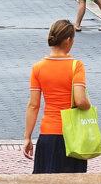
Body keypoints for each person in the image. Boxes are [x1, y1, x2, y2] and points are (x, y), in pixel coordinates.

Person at [22, 19, 93, 174]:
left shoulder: (38, 67)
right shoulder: (76, 66)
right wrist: (88, 105)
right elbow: (80, 100)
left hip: (48, 135)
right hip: (72, 136)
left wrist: (27, 137)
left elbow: (33, 106)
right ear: (68, 40)